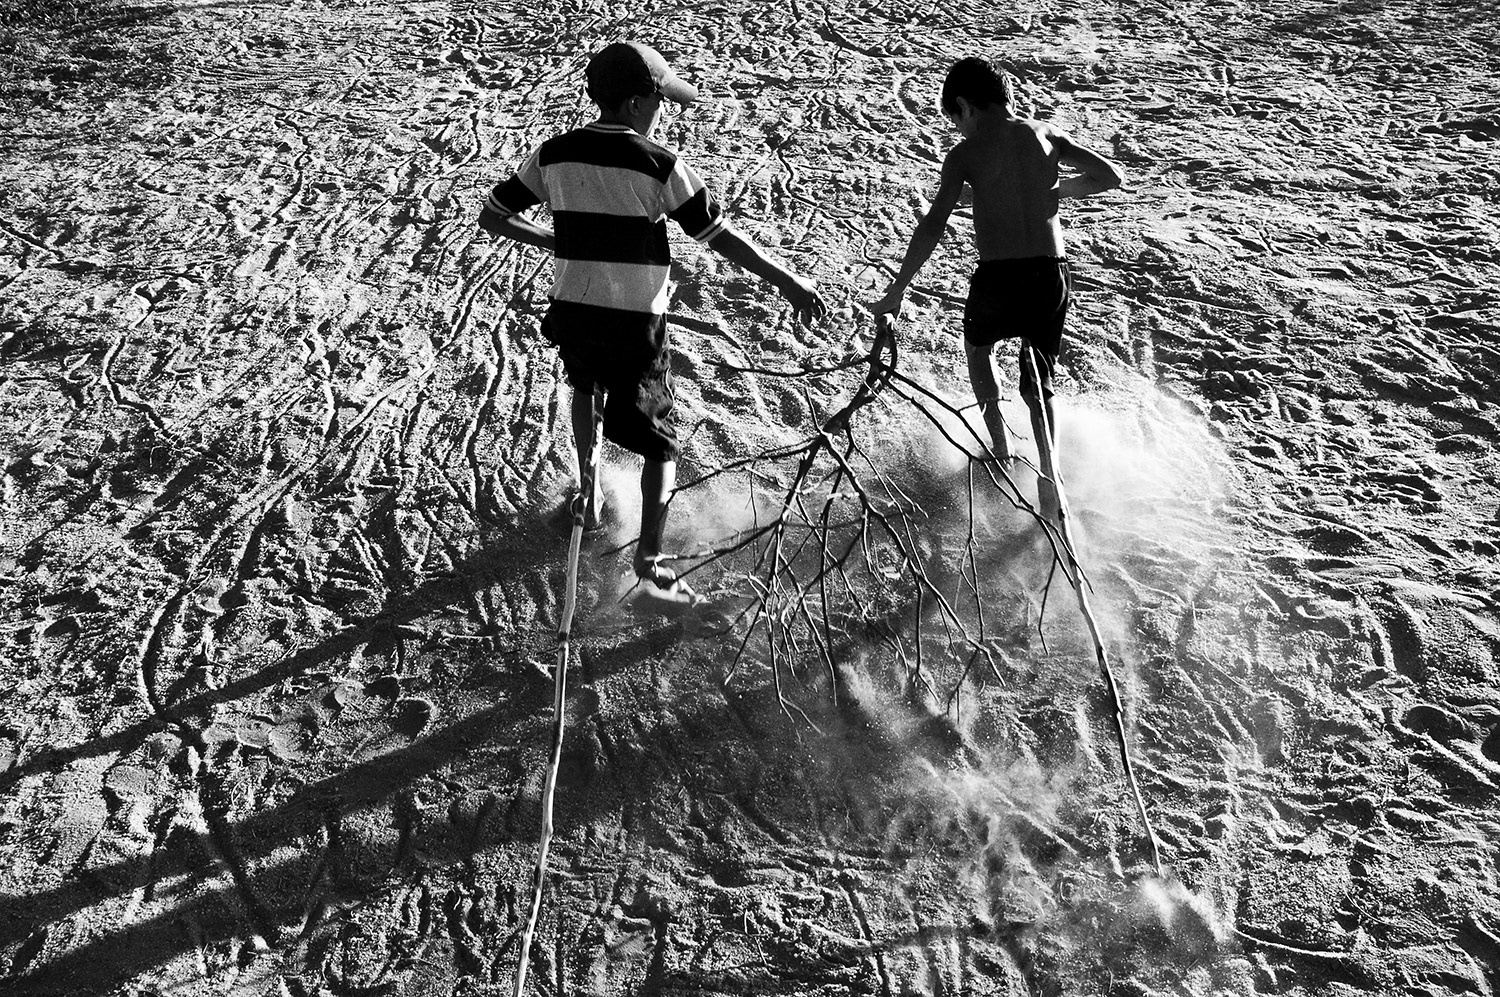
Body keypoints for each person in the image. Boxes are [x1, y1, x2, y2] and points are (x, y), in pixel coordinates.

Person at [479, 40, 827, 603]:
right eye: (661, 99)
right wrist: (789, 281)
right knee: (659, 442)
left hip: (574, 311)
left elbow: (493, 216)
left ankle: (588, 498)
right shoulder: (661, 164)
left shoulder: (553, 155)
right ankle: (651, 559)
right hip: (635, 322)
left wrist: (551, 237)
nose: (663, 110)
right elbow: (718, 236)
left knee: (585, 386)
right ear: (640, 103)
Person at [868, 56, 1124, 519]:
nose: (958, 129)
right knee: (1040, 379)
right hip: (1051, 274)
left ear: (964, 106)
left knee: (979, 348)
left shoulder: (964, 154)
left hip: (999, 278)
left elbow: (932, 226)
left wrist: (898, 288)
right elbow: (1111, 177)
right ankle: (1050, 475)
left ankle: (1000, 448)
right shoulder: (1045, 135)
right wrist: (1054, 192)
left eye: (955, 119)